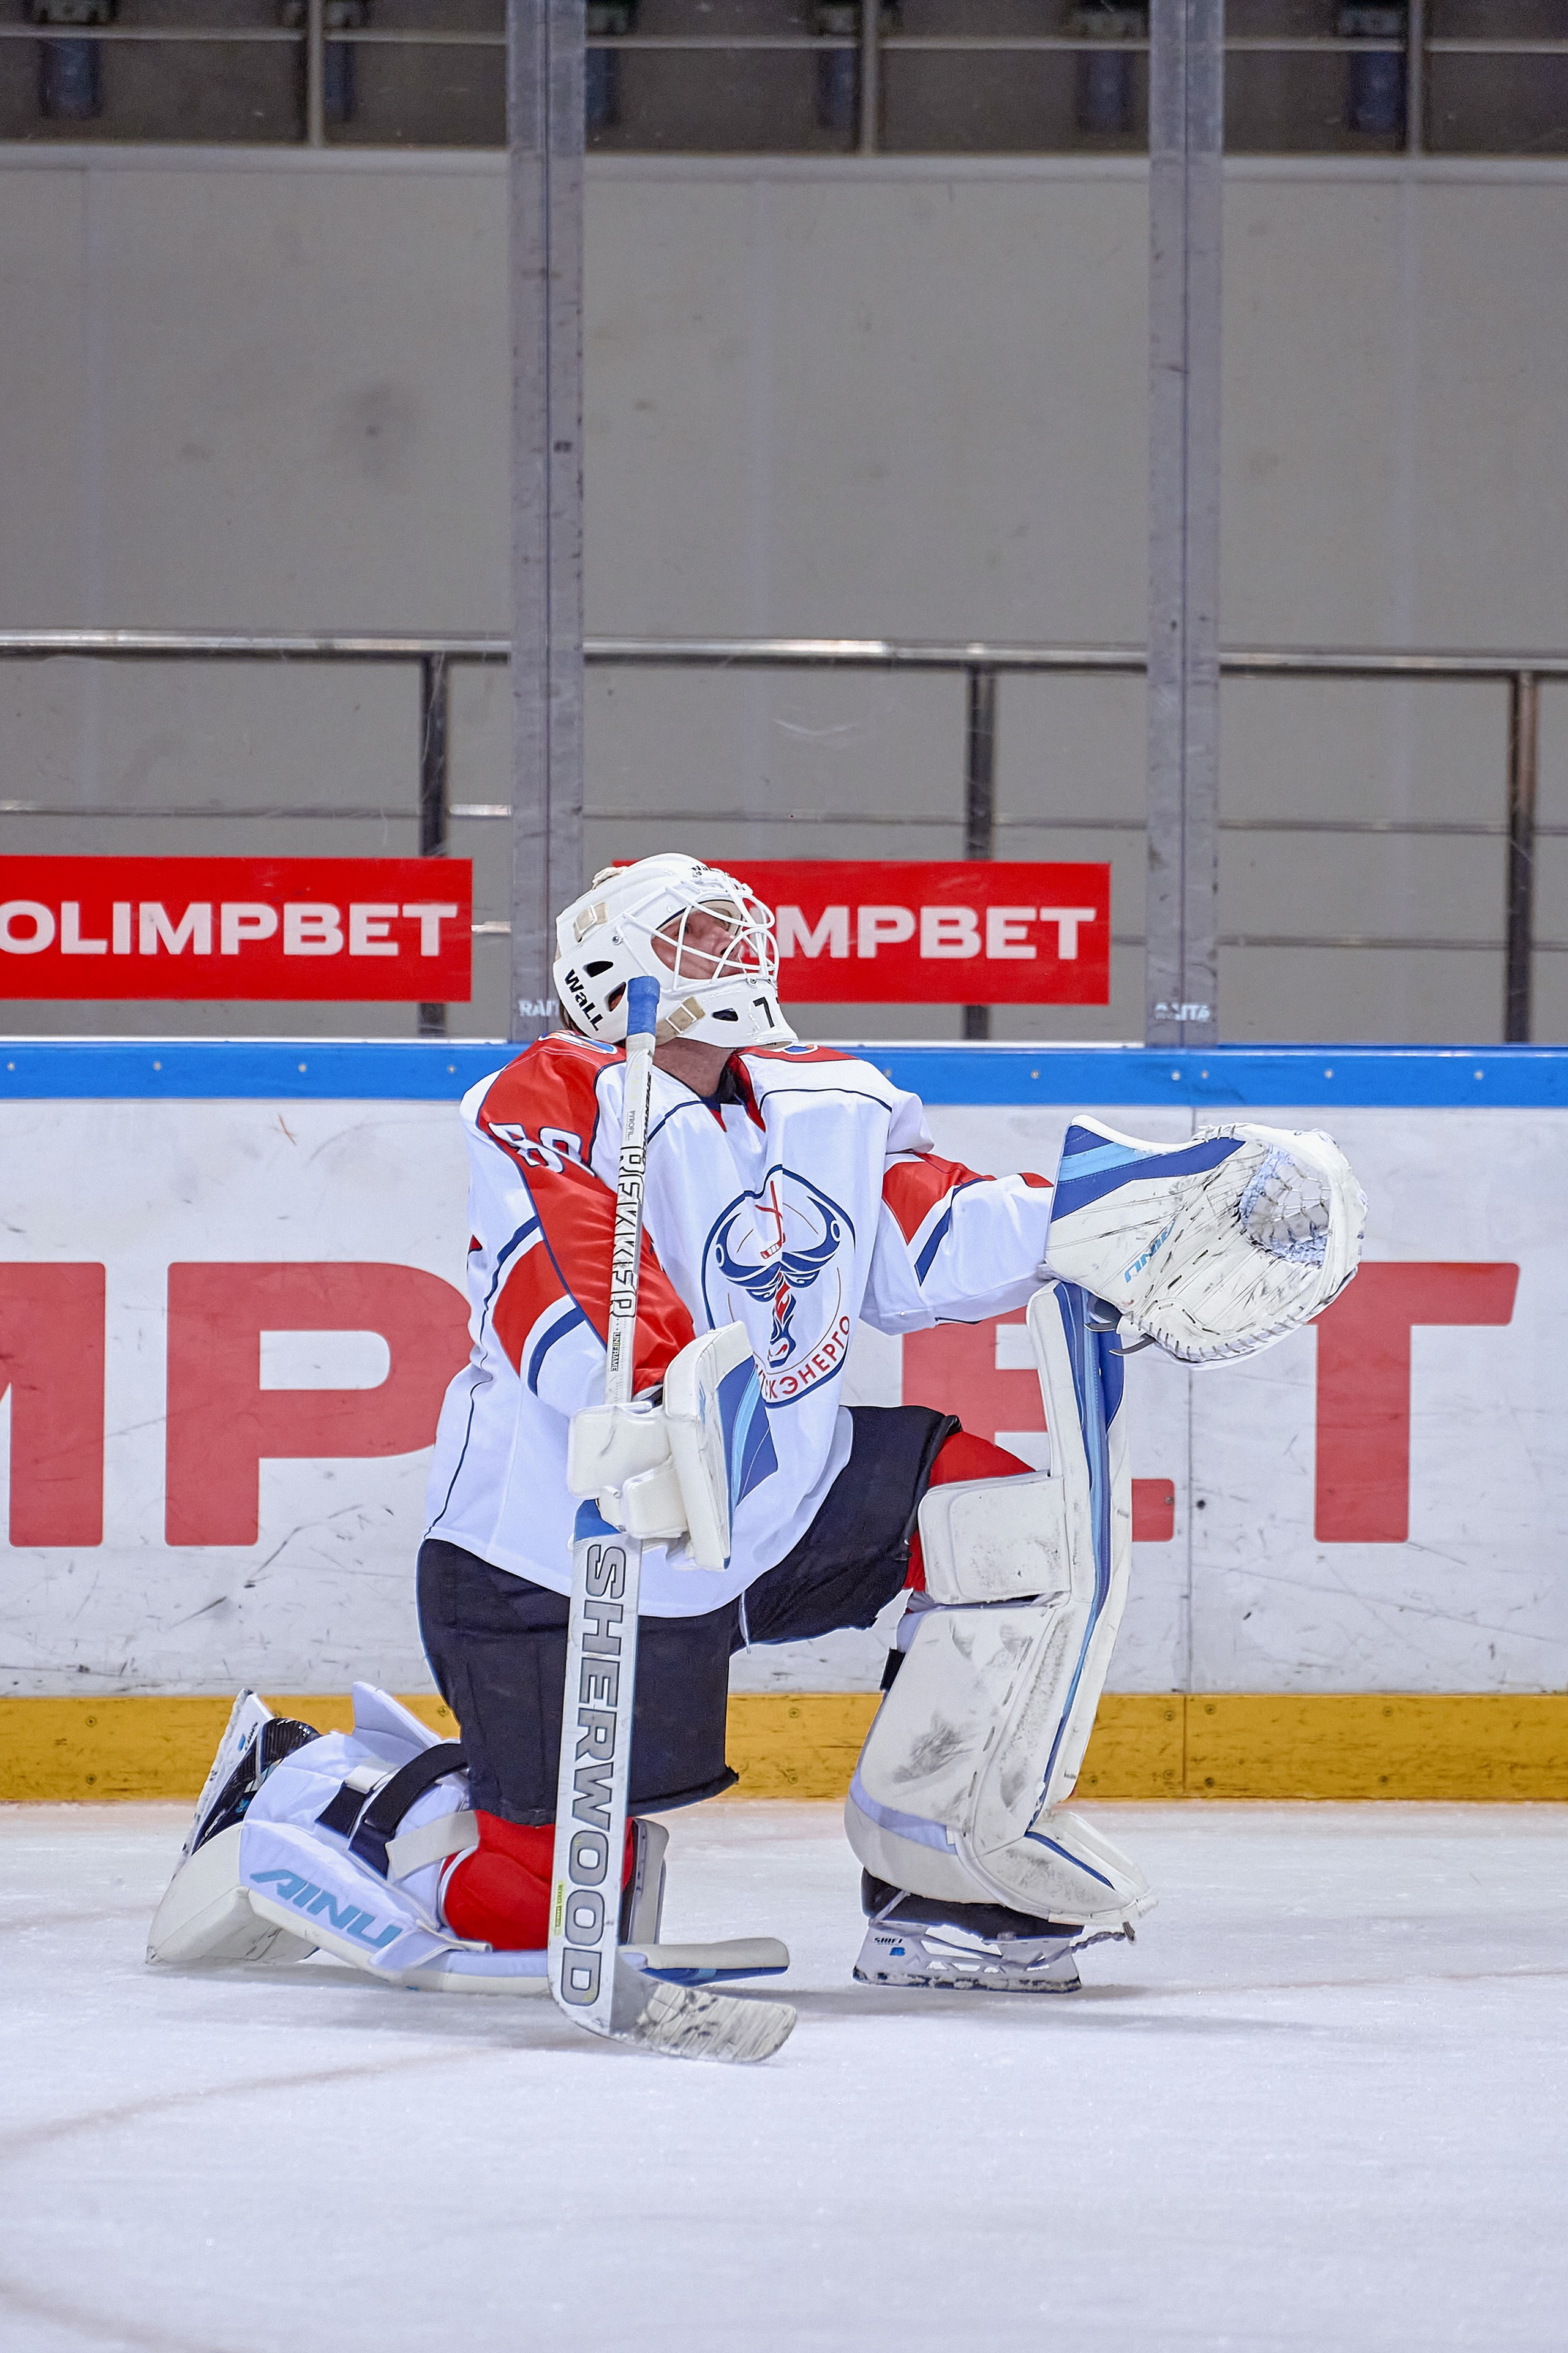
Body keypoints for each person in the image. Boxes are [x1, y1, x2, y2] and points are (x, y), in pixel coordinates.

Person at [149, 853, 1362, 1998]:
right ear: (603, 971)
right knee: (538, 1903)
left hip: (780, 1509)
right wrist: (655, 1395)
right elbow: (560, 1273)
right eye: (689, 930)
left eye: (736, 923)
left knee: (1011, 1525)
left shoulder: (825, 1098)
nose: (729, 945)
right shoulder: (548, 1096)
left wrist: (1100, 1218)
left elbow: (927, 1234)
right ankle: (306, 1791)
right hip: (555, 1552)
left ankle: (943, 1879)